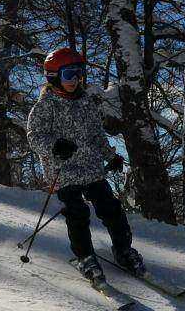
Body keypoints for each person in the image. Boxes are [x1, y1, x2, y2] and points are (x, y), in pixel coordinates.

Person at [27, 47, 145, 288]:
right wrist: (55, 146)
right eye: (69, 74)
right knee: (77, 211)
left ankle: (123, 250)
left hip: (91, 166)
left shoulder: (86, 102)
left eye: (79, 74)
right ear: (53, 77)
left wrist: (110, 155)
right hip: (64, 169)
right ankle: (86, 257)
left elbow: (96, 135)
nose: (75, 80)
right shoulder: (45, 105)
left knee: (111, 207)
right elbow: (34, 135)